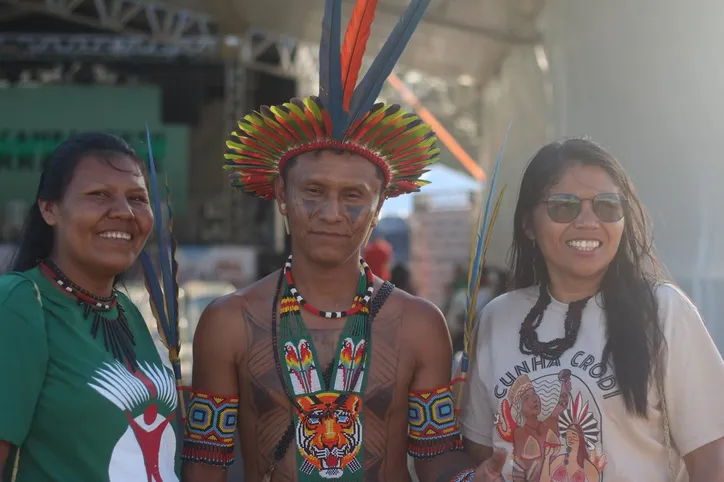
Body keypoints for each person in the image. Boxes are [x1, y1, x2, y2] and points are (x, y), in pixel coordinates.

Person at [180, 0, 505, 480]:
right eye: (313, 191)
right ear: (281, 196)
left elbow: (436, 453)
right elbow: (205, 463)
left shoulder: (418, 324)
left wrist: (473, 478)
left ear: (379, 207)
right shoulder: (228, 322)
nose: (332, 213)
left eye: (353, 196)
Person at [460, 138, 724, 481]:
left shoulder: (665, 312)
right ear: (528, 225)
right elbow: (480, 448)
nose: (588, 221)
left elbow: (713, 461)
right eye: (563, 206)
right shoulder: (498, 317)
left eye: (607, 206)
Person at [0, 132, 181, 481]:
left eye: (137, 198)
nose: (125, 212)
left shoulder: (126, 311)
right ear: (49, 208)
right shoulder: (18, 304)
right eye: (99, 195)